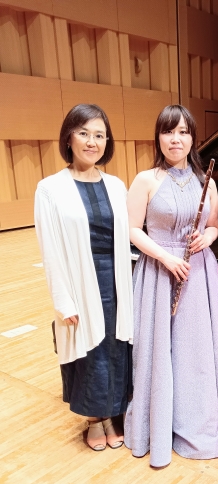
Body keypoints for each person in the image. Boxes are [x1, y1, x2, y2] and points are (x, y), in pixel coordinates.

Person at [124, 104, 218, 468]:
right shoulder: (145, 180)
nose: (175, 139)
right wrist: (166, 258)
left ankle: (194, 421)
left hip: (197, 272)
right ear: (158, 137)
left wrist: (206, 238)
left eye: (183, 132)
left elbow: (214, 226)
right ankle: (156, 424)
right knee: (157, 350)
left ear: (192, 138)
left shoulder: (206, 181)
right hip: (158, 270)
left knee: (193, 350)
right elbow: (132, 230)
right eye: (168, 131)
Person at [35, 104, 133, 451]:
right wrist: (63, 300)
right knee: (90, 352)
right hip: (79, 280)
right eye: (84, 133)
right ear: (69, 138)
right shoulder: (50, 189)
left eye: (100, 135)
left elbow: (128, 237)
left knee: (116, 348)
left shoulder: (117, 185)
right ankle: (95, 419)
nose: (92, 142)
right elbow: (50, 249)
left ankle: (114, 412)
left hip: (117, 280)